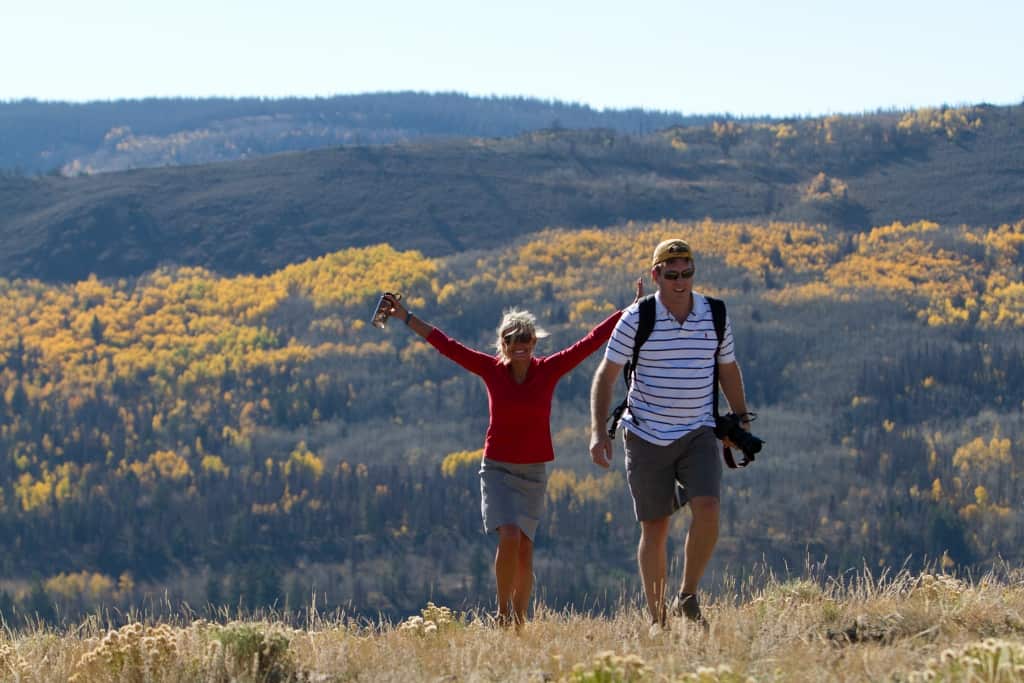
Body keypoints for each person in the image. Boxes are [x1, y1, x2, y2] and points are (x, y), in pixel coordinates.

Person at [380, 280, 640, 626]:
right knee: (510, 536)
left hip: (533, 471)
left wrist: (629, 311)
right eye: (512, 340)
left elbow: (590, 342)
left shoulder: (548, 370)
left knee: (526, 551)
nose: (519, 345)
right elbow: (446, 345)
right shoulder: (491, 370)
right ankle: (502, 613)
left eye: (526, 339)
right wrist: (405, 316)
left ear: (534, 342)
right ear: (502, 345)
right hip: (498, 469)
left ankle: (518, 621)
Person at [588, 238, 751, 629]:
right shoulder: (637, 318)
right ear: (656, 275)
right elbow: (605, 376)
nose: (681, 281)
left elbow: (727, 368)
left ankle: (688, 595)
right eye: (672, 274)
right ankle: (658, 620)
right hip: (645, 434)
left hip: (699, 430)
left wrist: (741, 419)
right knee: (656, 526)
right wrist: (598, 432)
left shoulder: (715, 314)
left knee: (708, 510)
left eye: (687, 273)